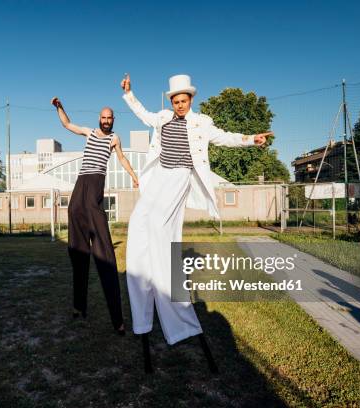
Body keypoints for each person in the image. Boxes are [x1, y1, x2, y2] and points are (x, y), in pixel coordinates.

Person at [120, 74, 271, 372]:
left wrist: (250, 139)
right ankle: (143, 270)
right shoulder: (163, 117)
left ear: (190, 100)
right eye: (175, 101)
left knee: (160, 228)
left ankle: (166, 281)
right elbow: (144, 115)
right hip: (159, 176)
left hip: (181, 177)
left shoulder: (202, 123)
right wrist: (129, 93)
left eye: (182, 101)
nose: (178, 105)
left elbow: (225, 137)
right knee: (139, 222)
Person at [51, 96, 139, 334]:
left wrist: (133, 175)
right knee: (78, 254)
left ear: (113, 121)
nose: (107, 121)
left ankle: (117, 320)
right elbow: (67, 125)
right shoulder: (89, 133)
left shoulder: (114, 138)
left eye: (110, 118)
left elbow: (121, 157)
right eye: (104, 117)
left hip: (94, 193)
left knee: (106, 259)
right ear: (99, 119)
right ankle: (79, 307)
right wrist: (60, 107)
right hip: (79, 193)